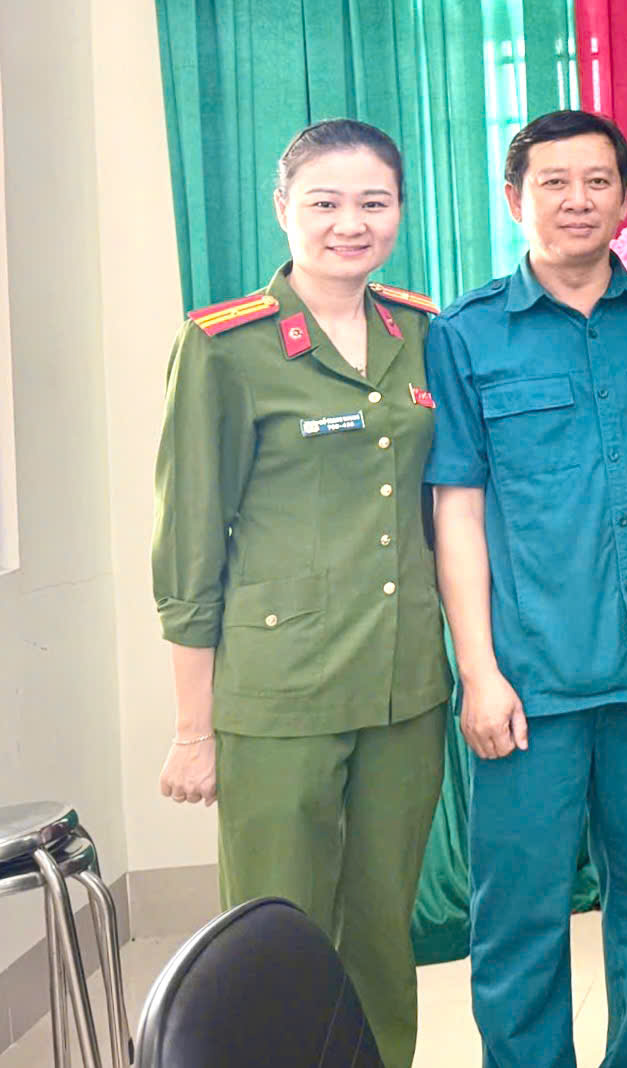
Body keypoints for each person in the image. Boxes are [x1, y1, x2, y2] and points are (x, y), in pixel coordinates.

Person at [152, 119, 449, 1067]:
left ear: (400, 211)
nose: (350, 223)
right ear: (283, 208)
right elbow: (188, 548)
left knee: (382, 932)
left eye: (374, 202)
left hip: (404, 686)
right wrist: (194, 729)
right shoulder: (224, 347)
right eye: (324, 202)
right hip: (280, 692)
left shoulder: (421, 333)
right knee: (276, 940)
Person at [424, 110, 627, 1068]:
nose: (577, 200)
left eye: (597, 181)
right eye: (553, 182)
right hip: (529, 676)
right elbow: (456, 510)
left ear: (625, 200)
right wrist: (479, 672)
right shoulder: (465, 334)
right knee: (520, 912)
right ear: (515, 199)